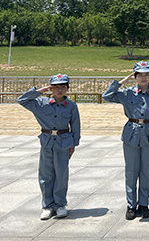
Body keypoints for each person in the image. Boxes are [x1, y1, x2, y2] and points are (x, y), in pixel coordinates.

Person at [102, 61, 149, 220]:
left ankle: (144, 204)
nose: (143, 77)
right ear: (135, 77)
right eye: (140, 74)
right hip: (131, 134)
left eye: (146, 74)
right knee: (131, 171)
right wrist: (120, 82)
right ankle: (131, 205)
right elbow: (107, 96)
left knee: (146, 171)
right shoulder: (127, 93)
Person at [17, 74, 81, 220]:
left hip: (64, 142)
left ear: (67, 88)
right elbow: (21, 100)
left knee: (61, 175)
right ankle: (47, 205)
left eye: (63, 87)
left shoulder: (71, 106)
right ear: (50, 88)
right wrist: (39, 91)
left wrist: (74, 144)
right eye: (56, 87)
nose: (59, 90)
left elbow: (76, 126)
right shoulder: (40, 103)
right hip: (47, 142)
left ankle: (60, 205)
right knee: (45, 175)